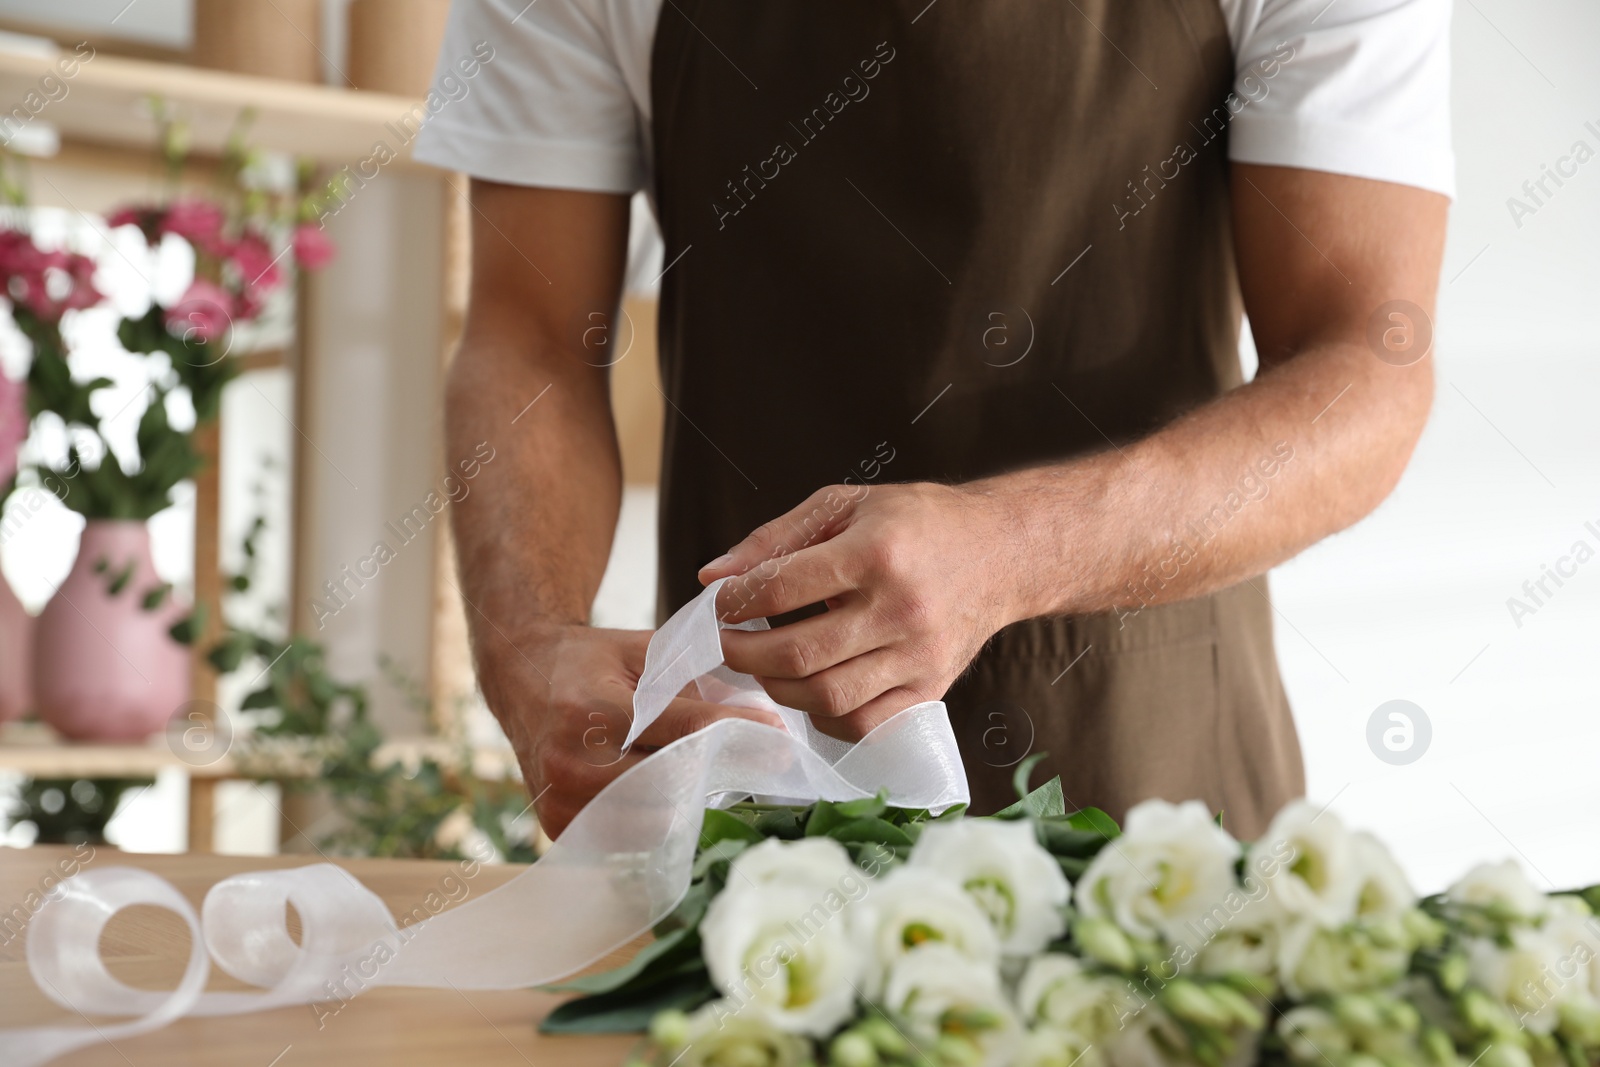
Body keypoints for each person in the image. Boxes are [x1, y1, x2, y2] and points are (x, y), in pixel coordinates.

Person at [413, 0, 1452, 840]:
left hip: (1157, 791)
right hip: (752, 795)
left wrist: (1018, 545)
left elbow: (1366, 365)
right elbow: (531, 331)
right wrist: (529, 647)